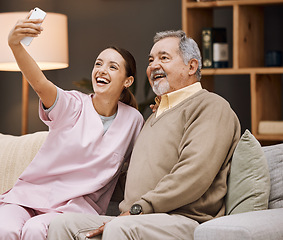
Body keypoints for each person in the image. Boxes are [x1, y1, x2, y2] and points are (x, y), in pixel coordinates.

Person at [47, 30, 241, 240]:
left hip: (184, 219)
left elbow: (194, 173)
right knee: (62, 224)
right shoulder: (153, 117)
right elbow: (128, 180)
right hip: (139, 217)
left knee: (118, 229)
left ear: (191, 66)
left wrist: (139, 208)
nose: (153, 65)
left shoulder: (211, 106)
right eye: (151, 60)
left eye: (164, 58)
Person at [0, 10, 144, 240]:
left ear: (127, 81)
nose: (101, 70)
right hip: (27, 197)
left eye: (112, 67)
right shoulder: (72, 104)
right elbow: (40, 83)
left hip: (73, 210)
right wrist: (15, 46)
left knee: (35, 229)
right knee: (4, 229)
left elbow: (140, 169)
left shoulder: (133, 120)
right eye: (98, 63)